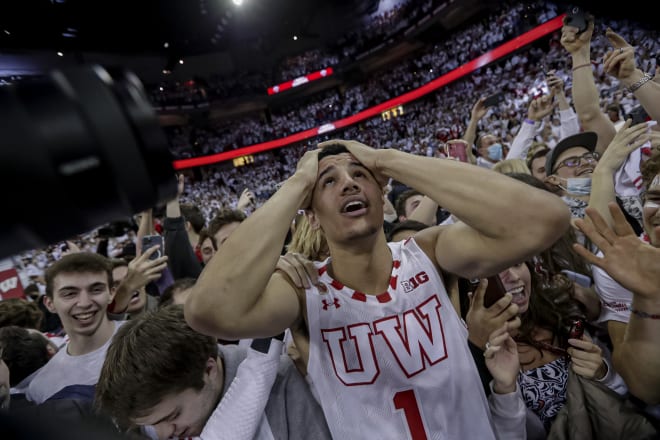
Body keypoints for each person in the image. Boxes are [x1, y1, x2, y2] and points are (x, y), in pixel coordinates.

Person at [185, 140, 571, 438]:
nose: (348, 182)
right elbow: (207, 311)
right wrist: (298, 181)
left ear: (381, 194)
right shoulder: (303, 289)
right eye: (329, 181)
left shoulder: (431, 252)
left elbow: (546, 219)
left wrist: (386, 159)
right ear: (312, 216)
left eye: (359, 174)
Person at [95, 304, 332, 440]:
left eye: (172, 416)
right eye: (151, 424)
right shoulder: (151, 414)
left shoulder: (286, 389)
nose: (165, 433)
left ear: (208, 370)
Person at [25, 253, 125, 404]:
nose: (84, 303)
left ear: (111, 293)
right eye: (70, 294)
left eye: (96, 290)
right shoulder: (42, 389)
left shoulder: (152, 337)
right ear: (49, 303)